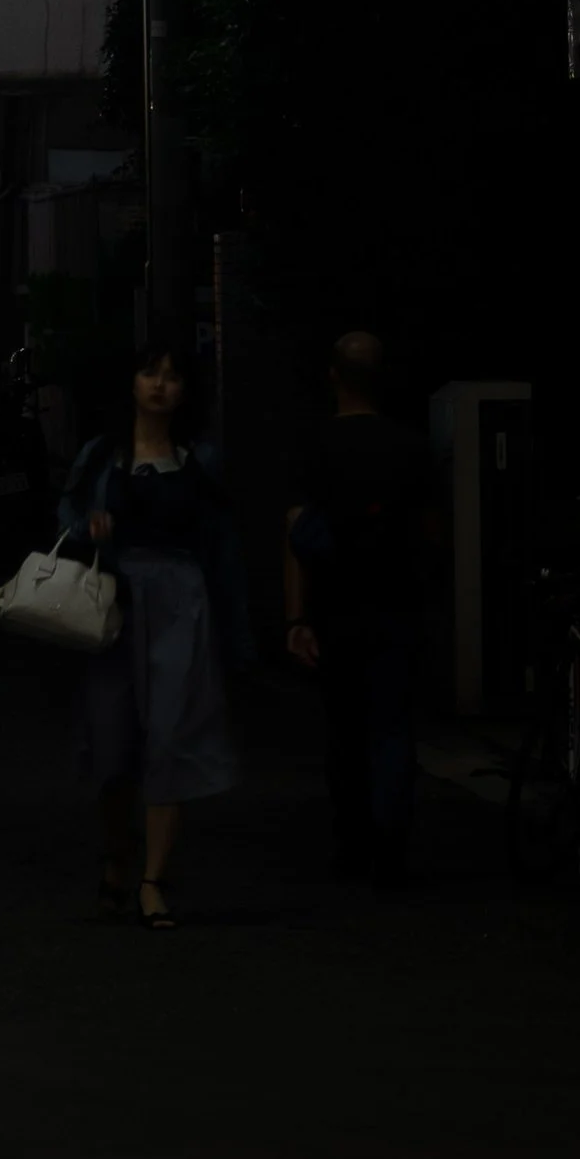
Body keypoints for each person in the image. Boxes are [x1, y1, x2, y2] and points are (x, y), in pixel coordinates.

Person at [61, 335, 250, 930]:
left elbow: (223, 547)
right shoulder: (102, 454)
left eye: (172, 375)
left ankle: (153, 880)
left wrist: (235, 632)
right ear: (132, 383)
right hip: (115, 604)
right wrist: (88, 525)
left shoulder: (200, 460)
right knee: (113, 748)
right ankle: (119, 856)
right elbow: (65, 512)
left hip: (180, 605)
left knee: (169, 738)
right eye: (150, 373)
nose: (160, 385)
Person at [285, 330, 431, 888]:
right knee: (392, 729)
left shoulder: (317, 447)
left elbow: (294, 534)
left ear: (334, 376)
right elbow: (432, 533)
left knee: (345, 731)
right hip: (398, 604)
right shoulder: (412, 448)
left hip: (335, 607)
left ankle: (352, 845)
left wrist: (296, 619)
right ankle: (391, 847)